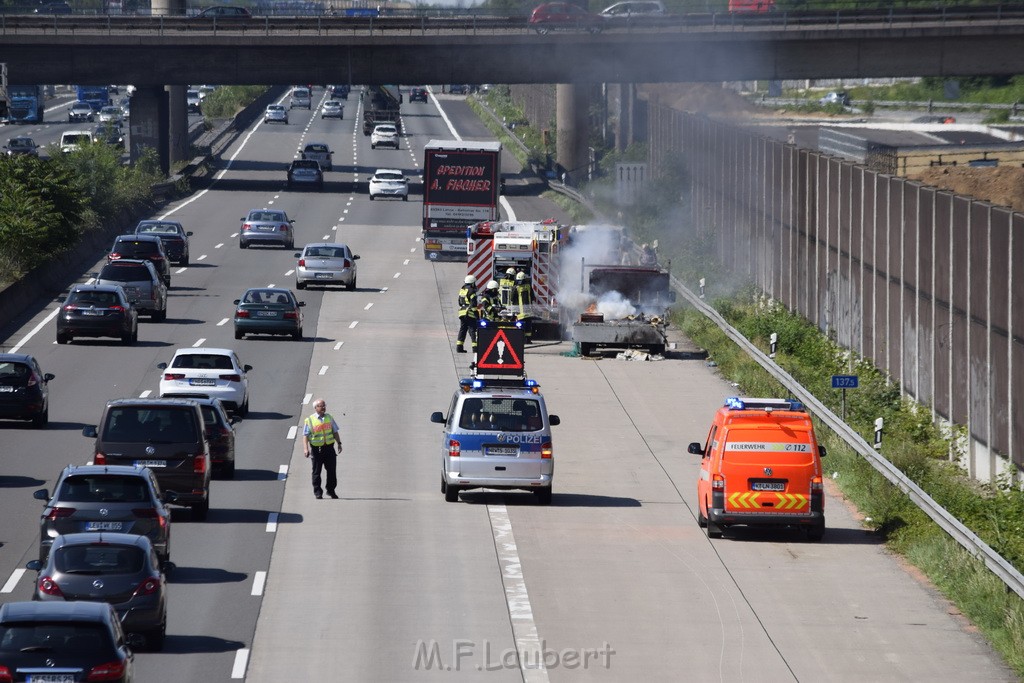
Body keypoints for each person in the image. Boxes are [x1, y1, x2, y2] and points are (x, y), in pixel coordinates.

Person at [303, 398, 342, 499]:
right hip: (317, 450)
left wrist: (339, 443)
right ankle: (318, 492)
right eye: (321, 406)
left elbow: (335, 431)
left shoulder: (329, 417)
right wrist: (306, 449)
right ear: (315, 408)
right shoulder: (310, 420)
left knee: (332, 471)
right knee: (316, 472)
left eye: (324, 405)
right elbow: (305, 436)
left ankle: (331, 490)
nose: (324, 407)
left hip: (329, 448)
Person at [456, 275, 479, 354]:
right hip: (469, 314)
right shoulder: (472, 291)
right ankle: (475, 348)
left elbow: (459, 302)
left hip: (462, 313)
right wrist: (477, 315)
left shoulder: (462, 290)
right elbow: (474, 305)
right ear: (472, 283)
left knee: (462, 330)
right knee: (473, 330)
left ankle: (459, 347)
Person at [512, 271, 534, 340]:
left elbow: (512, 298)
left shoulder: (516, 288)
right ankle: (528, 339)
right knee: (528, 327)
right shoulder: (528, 286)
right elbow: (532, 297)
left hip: (520, 313)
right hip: (528, 312)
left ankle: (520, 339)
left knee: (520, 327)